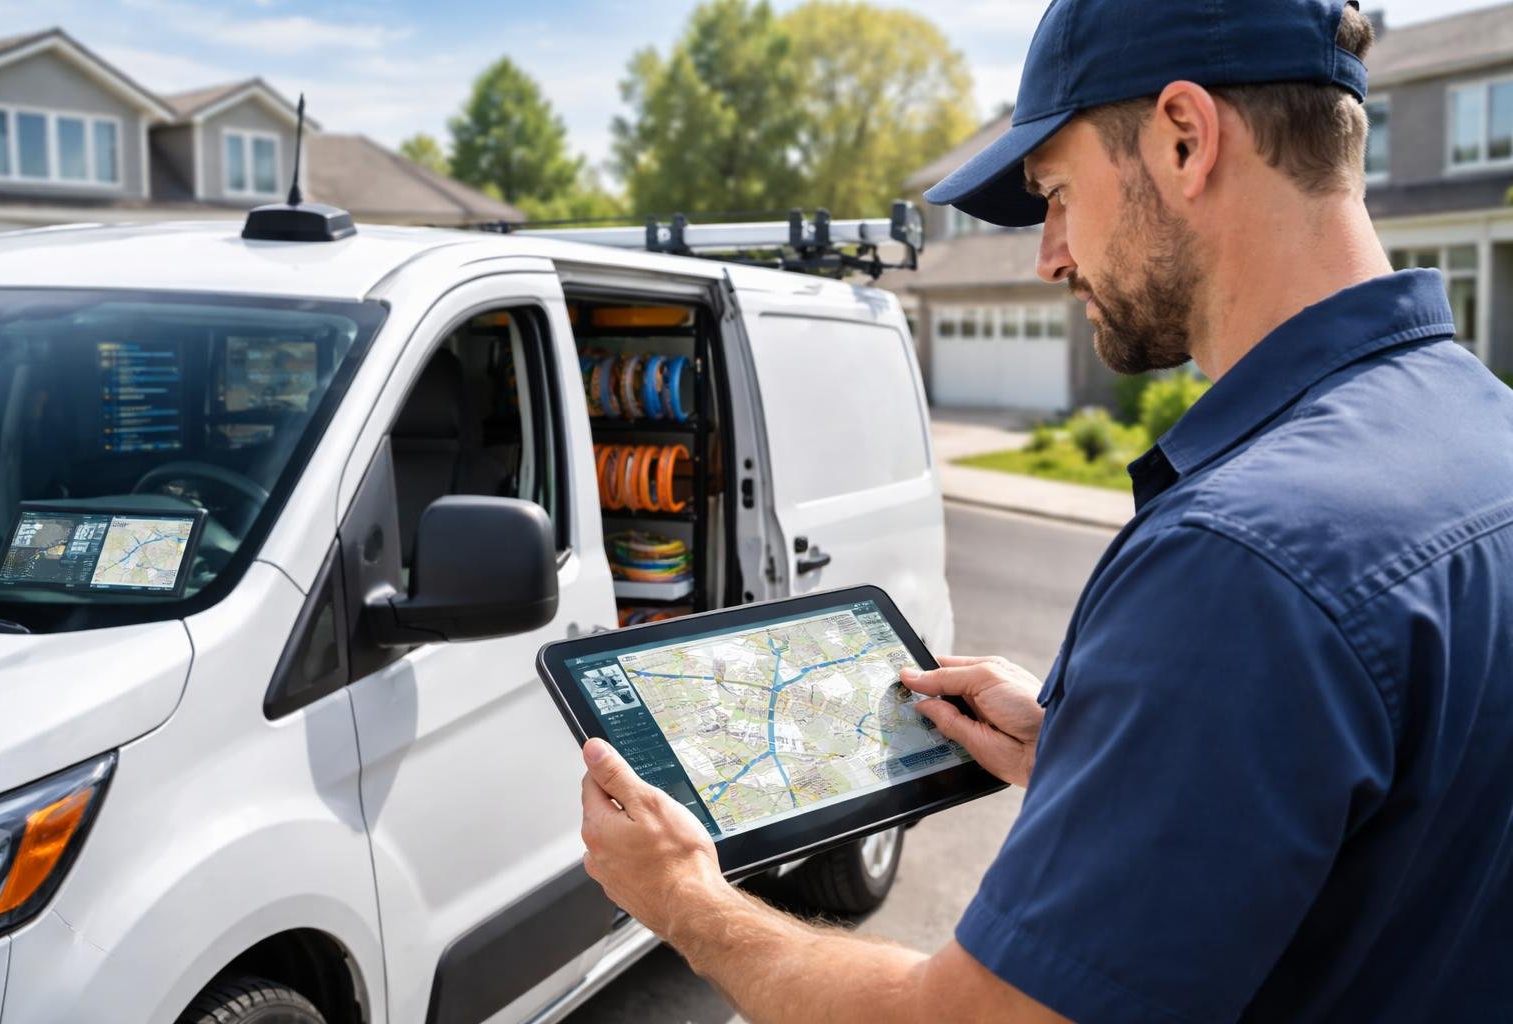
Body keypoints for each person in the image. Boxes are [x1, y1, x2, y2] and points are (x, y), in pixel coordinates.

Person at [578, 0, 1513, 1020]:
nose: (1050, 256)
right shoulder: (1487, 435)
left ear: (1186, 138)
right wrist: (1102, 752)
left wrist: (686, 899)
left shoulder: (1241, 560)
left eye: (1059, 195)